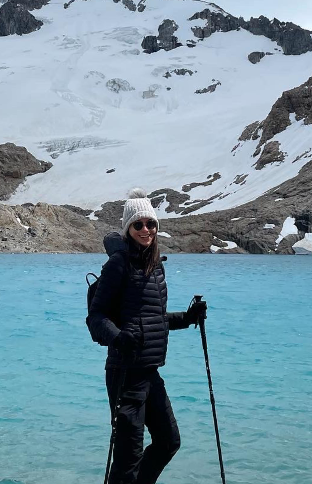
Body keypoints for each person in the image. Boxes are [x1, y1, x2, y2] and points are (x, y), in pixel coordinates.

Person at [87, 188, 207, 484]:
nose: (145, 229)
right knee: (128, 456)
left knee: (169, 441)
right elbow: (96, 317)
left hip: (149, 371)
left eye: (150, 224)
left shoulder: (155, 268)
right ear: (128, 228)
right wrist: (118, 338)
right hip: (124, 373)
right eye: (138, 224)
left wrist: (188, 318)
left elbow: (153, 319)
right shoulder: (118, 264)